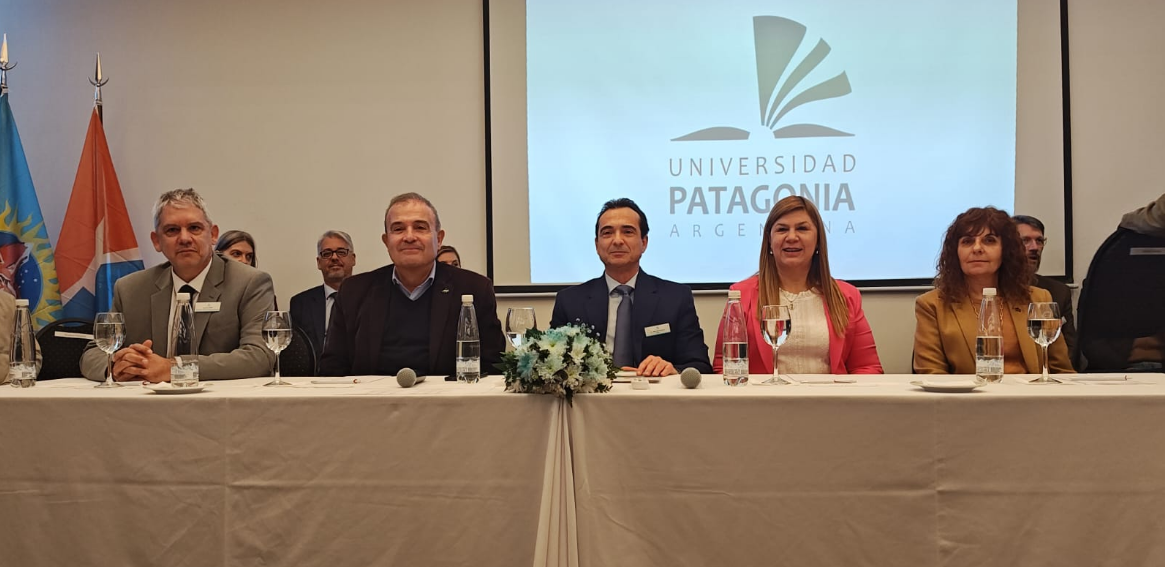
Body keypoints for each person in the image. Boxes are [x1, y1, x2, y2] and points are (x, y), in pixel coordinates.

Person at [79, 188, 277, 382]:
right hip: (148, 407)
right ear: (156, 241)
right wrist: (116, 365)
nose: (184, 238)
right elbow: (94, 353)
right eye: (172, 230)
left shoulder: (250, 283)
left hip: (224, 407)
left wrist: (174, 367)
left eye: (194, 228)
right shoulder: (130, 288)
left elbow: (259, 357)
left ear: (213, 235)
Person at [318, 193, 505, 377]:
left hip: (449, 404)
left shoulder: (475, 288)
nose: (409, 237)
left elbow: (494, 367)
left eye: (420, 227)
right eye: (398, 229)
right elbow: (333, 369)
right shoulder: (353, 291)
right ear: (386, 241)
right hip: (371, 404)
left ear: (438, 239)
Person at [713, 196, 882, 375]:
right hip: (763, 401)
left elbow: (867, 368)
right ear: (769, 240)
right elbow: (723, 368)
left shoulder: (847, 296)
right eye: (782, 229)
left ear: (818, 240)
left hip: (832, 402)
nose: (792, 237)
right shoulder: (741, 295)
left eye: (802, 228)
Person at [550, 198, 711, 376]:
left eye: (627, 232)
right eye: (607, 233)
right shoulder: (570, 302)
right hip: (592, 401)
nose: (617, 240)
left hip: (653, 398)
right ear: (597, 245)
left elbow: (700, 365)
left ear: (644, 242)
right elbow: (552, 364)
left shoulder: (676, 298)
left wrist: (672, 369)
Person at [914, 206, 1073, 374]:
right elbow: (931, 374)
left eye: (989, 240)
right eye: (967, 241)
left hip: (1032, 397)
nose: (976, 248)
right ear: (956, 252)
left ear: (1006, 251)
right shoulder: (932, 305)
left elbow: (1062, 371)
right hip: (967, 399)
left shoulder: (1039, 298)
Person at [1012, 215, 1076, 359]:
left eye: (1039, 241)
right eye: (1025, 241)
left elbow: (1071, 351)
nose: (1035, 248)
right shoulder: (989, 289)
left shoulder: (1058, 292)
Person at [289, 230, 357, 361]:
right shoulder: (301, 303)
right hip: (315, 378)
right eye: (327, 254)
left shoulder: (371, 299)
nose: (334, 258)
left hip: (361, 377)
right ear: (318, 262)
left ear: (353, 259)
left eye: (341, 252)